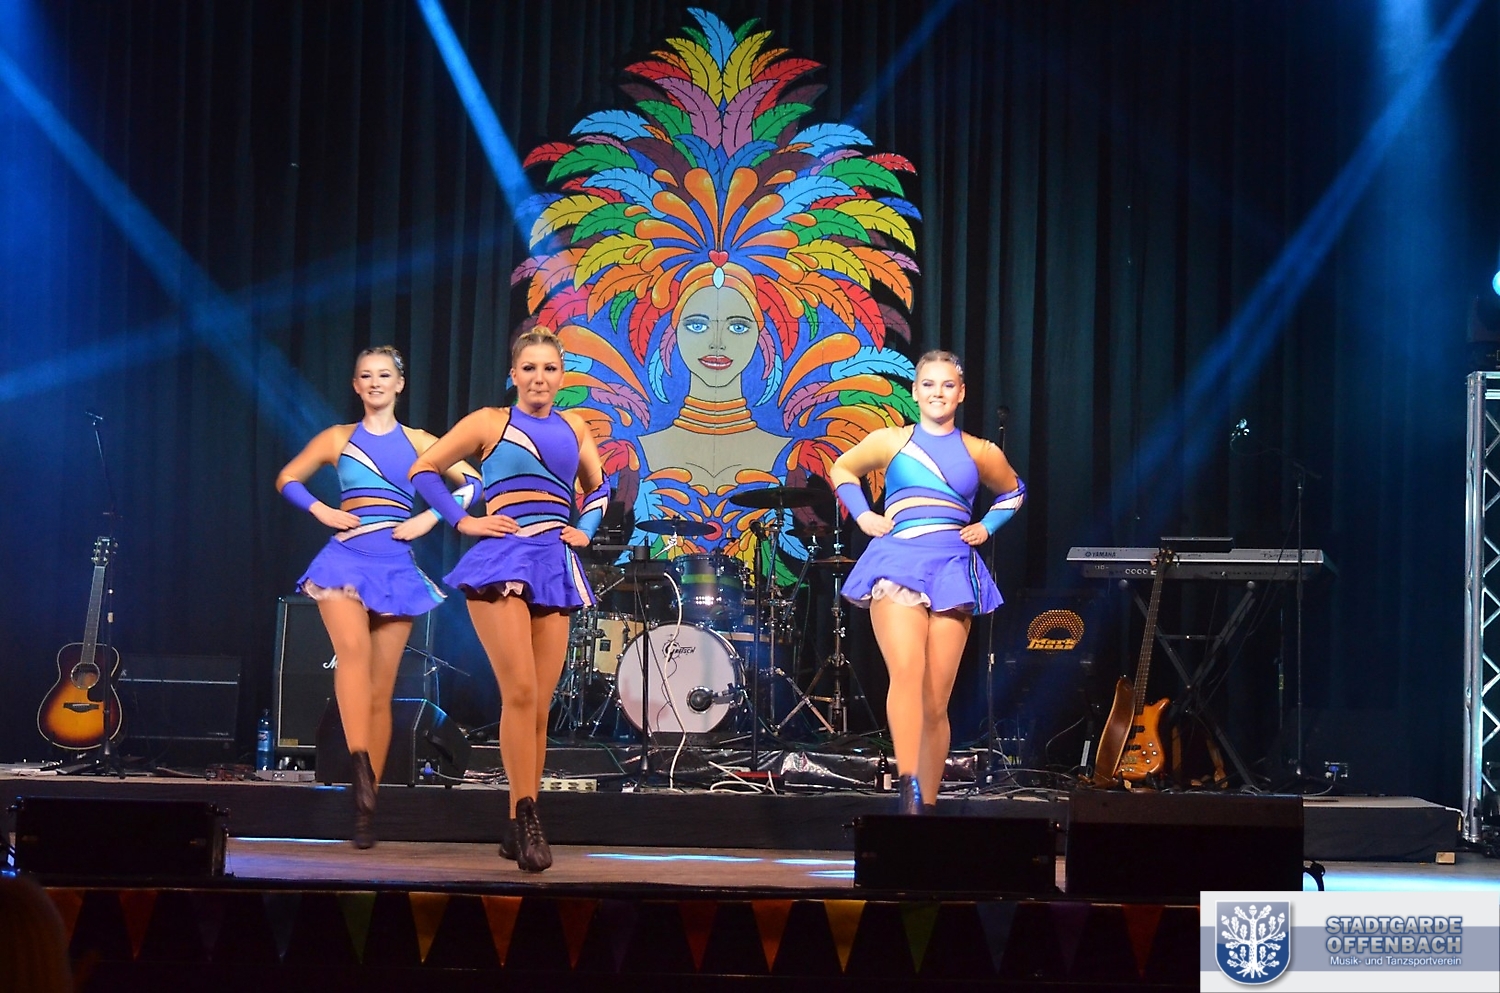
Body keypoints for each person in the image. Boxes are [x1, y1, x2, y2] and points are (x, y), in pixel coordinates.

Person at [410, 327, 609, 871]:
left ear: (561, 376)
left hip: (554, 564)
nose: (539, 378)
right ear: (513, 374)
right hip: (502, 561)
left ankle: (514, 824)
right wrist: (464, 521)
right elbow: (423, 470)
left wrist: (586, 529)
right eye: (529, 368)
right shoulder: (488, 422)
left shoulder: (575, 427)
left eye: (549, 368)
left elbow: (599, 488)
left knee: (538, 705)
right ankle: (528, 817)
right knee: (519, 692)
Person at [276, 346, 479, 848]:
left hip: (394, 566)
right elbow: (287, 478)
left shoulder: (421, 442)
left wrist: (430, 517)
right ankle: (359, 762)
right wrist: (322, 511)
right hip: (345, 560)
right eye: (365, 375)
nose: (375, 382)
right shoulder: (337, 438)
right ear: (355, 384)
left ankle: (366, 811)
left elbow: (474, 482)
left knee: (382, 690)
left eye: (384, 375)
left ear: (399, 383)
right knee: (353, 654)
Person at [829, 350, 1025, 814]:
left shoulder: (980, 451)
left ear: (961, 392)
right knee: (907, 673)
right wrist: (864, 515)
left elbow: (1014, 491)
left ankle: (926, 810)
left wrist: (987, 527)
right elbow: (841, 469)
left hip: (953, 568)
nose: (938, 393)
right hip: (898, 561)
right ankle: (908, 786)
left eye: (948, 385)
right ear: (915, 391)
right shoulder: (890, 440)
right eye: (929, 384)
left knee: (935, 701)